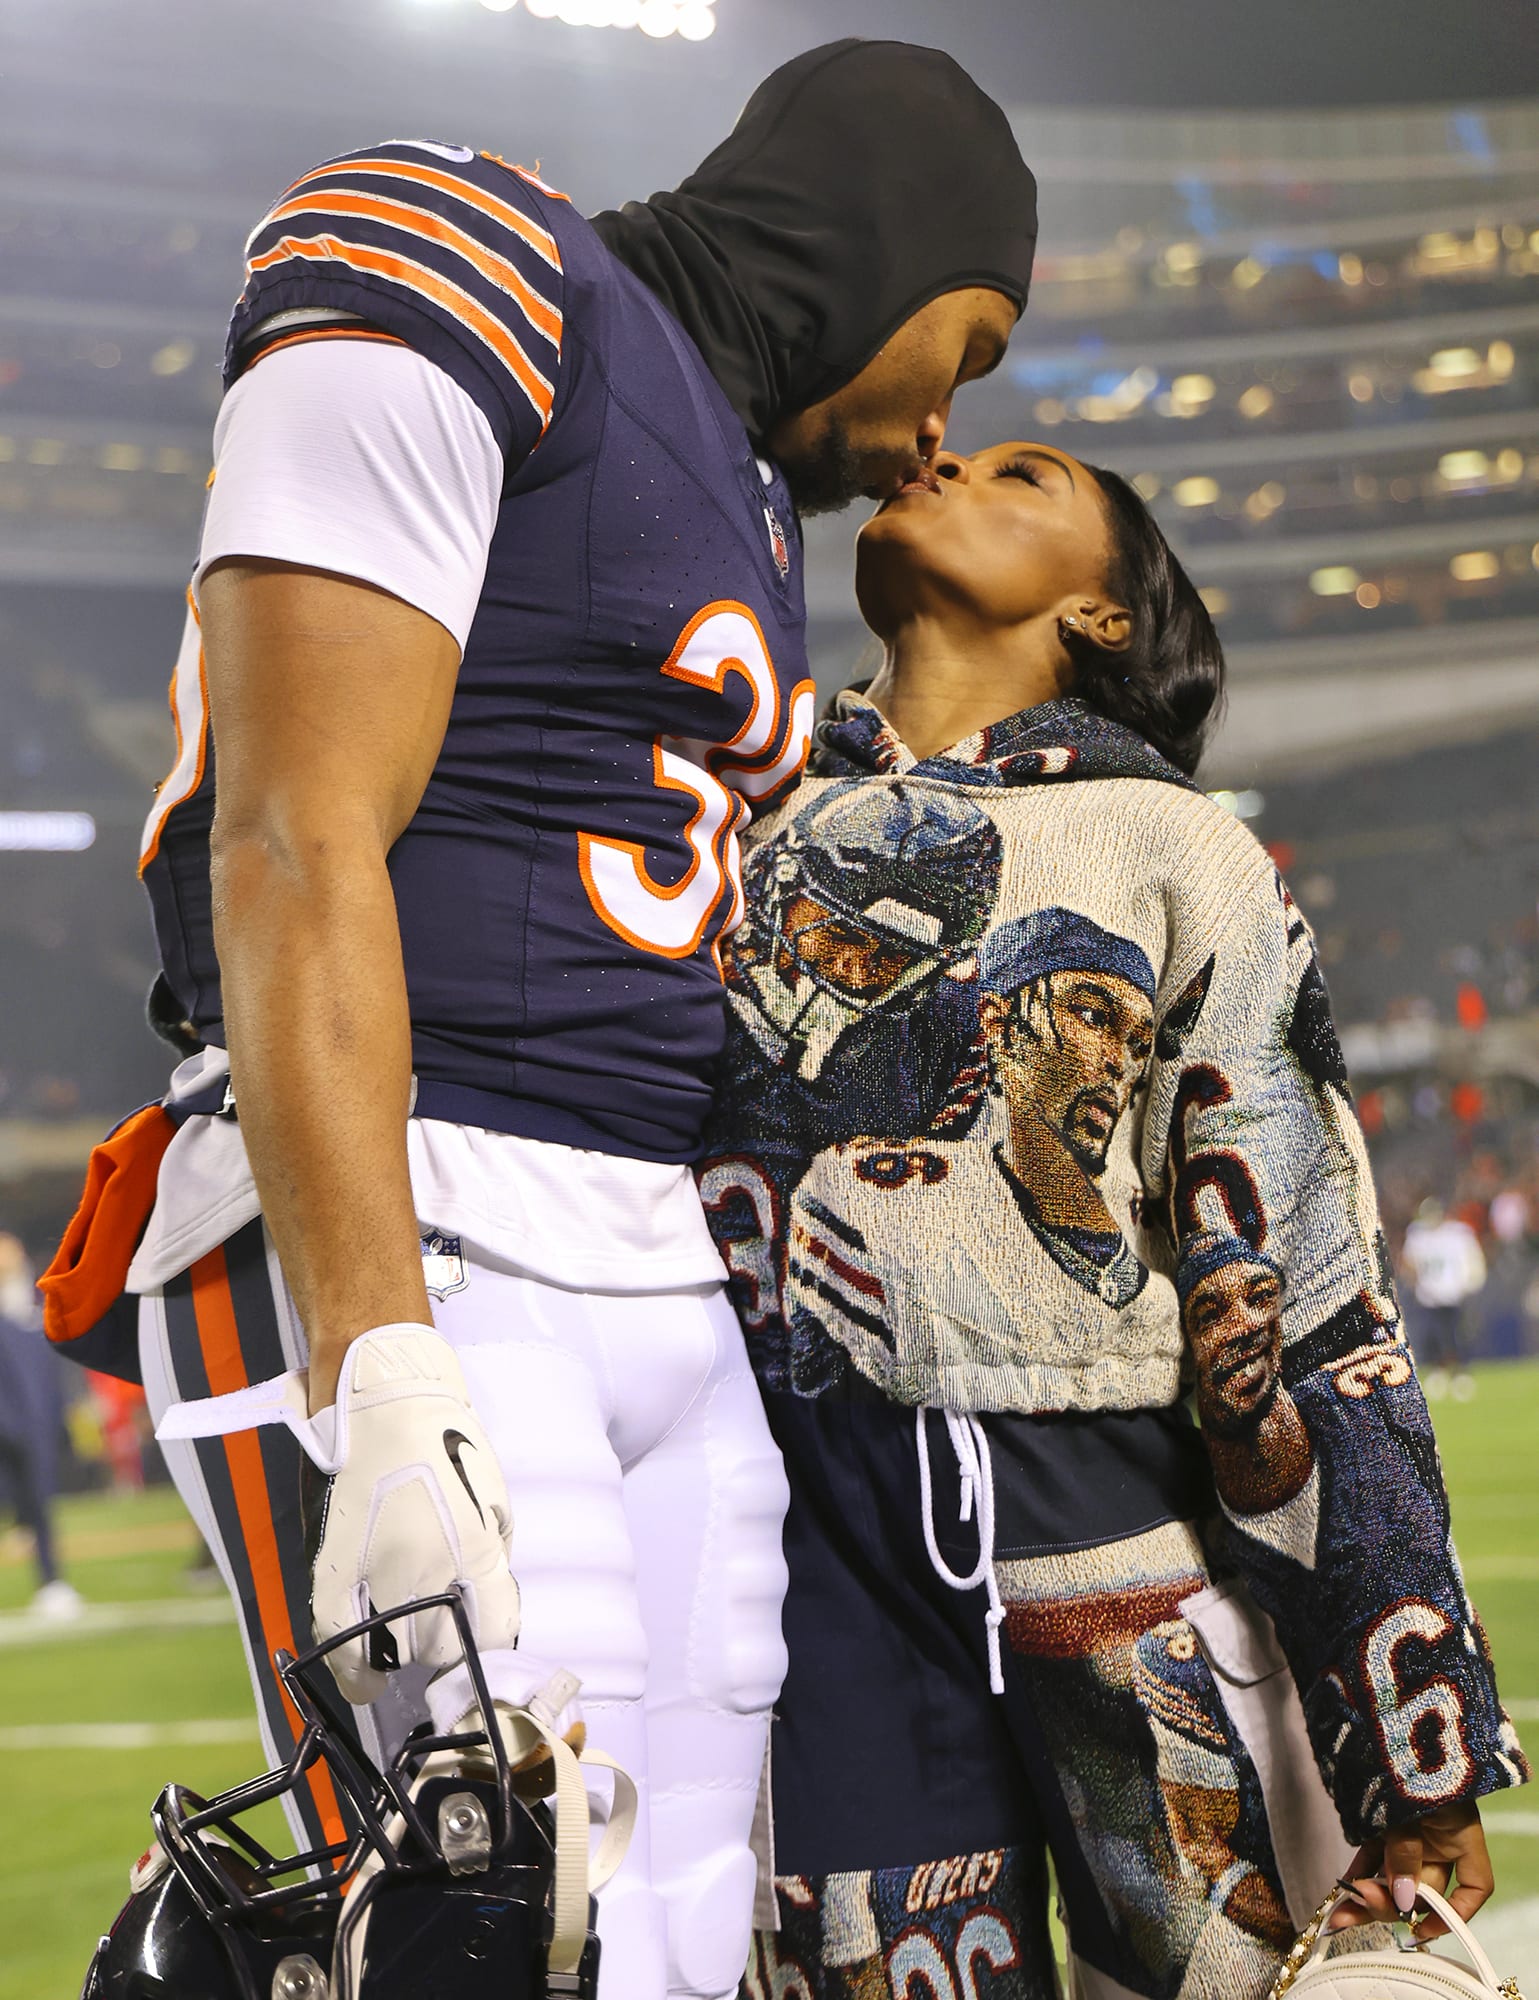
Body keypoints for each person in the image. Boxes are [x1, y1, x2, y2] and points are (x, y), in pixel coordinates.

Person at [38, 42, 1038, 2000]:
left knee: (679, 1941)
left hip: (645, 1242)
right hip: (416, 1194)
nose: (945, 428)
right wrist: (382, 1361)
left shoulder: (747, 491)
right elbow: (291, 826)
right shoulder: (491, 252)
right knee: (502, 1935)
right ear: (871, 247)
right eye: (969, 344)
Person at [699, 440, 1525, 1998]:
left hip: (1087, 1506)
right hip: (791, 1523)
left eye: (1020, 474)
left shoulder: (1171, 845)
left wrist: (1406, 1743)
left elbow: (1305, 1282)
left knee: (1226, 1980)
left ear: (1097, 613)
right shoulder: (724, 815)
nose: (941, 453)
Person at [0, 1234, 82, 1620]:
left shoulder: (35, 1300)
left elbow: (52, 1366)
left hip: (33, 1425)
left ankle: (51, 1582)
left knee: (40, 1506)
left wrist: (60, 1413)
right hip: (6, 1424)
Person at [1401, 1197, 1487, 1399]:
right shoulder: (1417, 1235)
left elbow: (1471, 1257)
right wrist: (1415, 1280)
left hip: (1452, 1293)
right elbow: (1409, 1262)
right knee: (1432, 1338)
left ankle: (1460, 1373)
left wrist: (1471, 1280)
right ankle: (1437, 1373)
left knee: (1456, 1335)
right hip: (1429, 1295)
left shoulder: (1456, 1234)